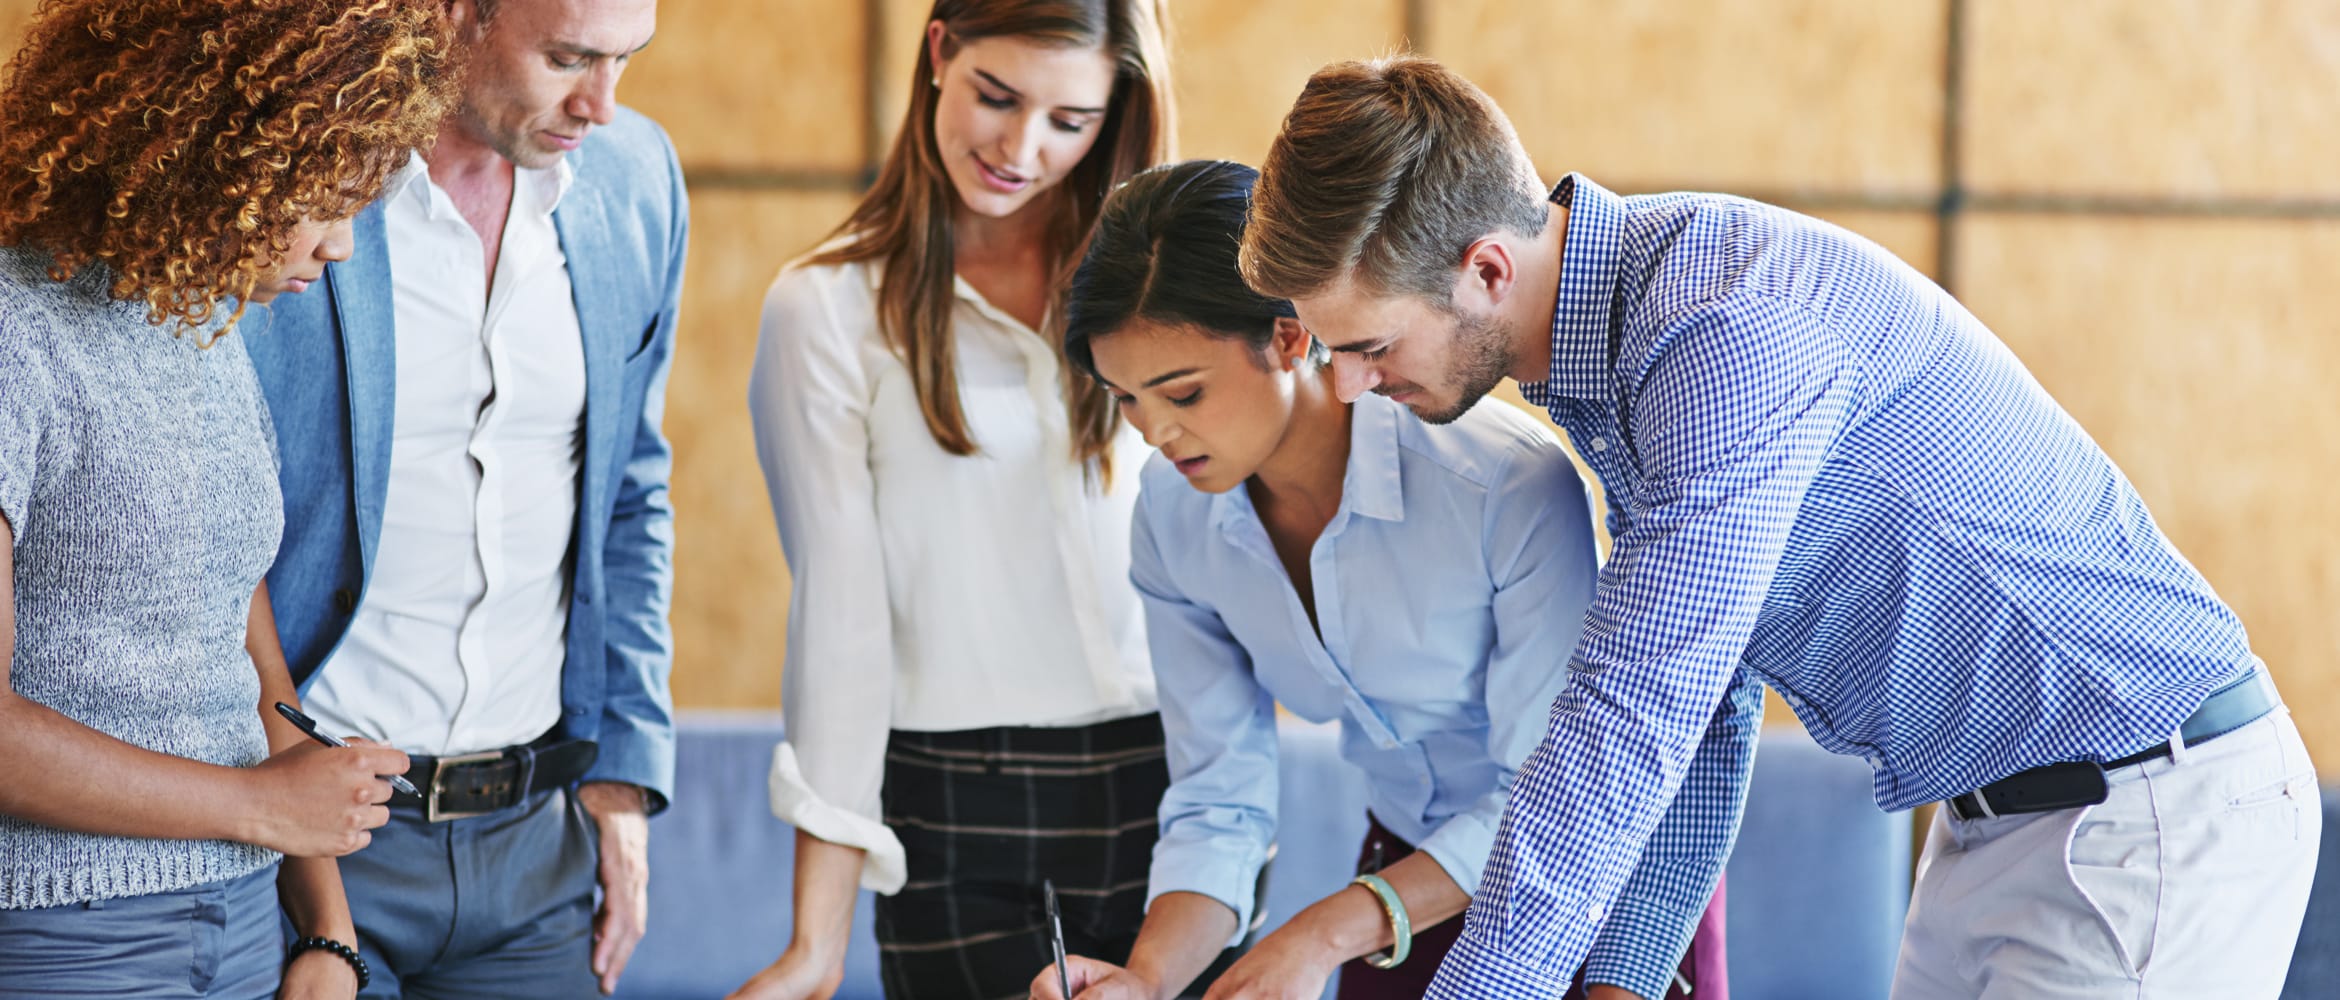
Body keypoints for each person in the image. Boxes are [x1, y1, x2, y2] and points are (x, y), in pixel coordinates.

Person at [1237, 54, 2321, 1000]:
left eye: (1369, 345)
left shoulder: (1721, 328)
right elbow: (1704, 704)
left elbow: (1633, 712)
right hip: (1997, 821)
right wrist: (1622, 982)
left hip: (2146, 809)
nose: (1346, 388)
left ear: (1484, 268)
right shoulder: (1621, 351)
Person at [1035, 159, 1727, 1000]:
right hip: (1402, 879)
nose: (1155, 434)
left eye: (1182, 392)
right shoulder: (1173, 515)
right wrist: (1145, 980)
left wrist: (1322, 933)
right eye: (1127, 400)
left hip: (1591, 881)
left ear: (1290, 334)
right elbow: (1220, 796)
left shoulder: (1502, 485)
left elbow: (1550, 790)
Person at [728, 3, 1190, 997]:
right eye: (997, 96)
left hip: (1184, 797)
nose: (1022, 150)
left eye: (1071, 121)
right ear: (940, 52)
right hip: (950, 807)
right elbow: (841, 632)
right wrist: (815, 943)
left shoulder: (1164, 292)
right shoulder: (826, 311)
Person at [0, 0, 455, 996]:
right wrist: (258, 806)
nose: (340, 245)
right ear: (214, 149)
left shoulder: (195, 314)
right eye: (321, 196)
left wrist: (330, 932)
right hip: (63, 939)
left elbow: (245, 648)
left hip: (251, 922)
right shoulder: (14, 326)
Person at [244, 0, 686, 994]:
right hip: (308, 822)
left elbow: (630, 495)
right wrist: (295, 848)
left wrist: (621, 774)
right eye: (570, 57)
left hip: (535, 841)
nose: (602, 105)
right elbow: (216, 523)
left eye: (626, 60)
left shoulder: (638, 179)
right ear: (452, 15)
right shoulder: (301, 182)